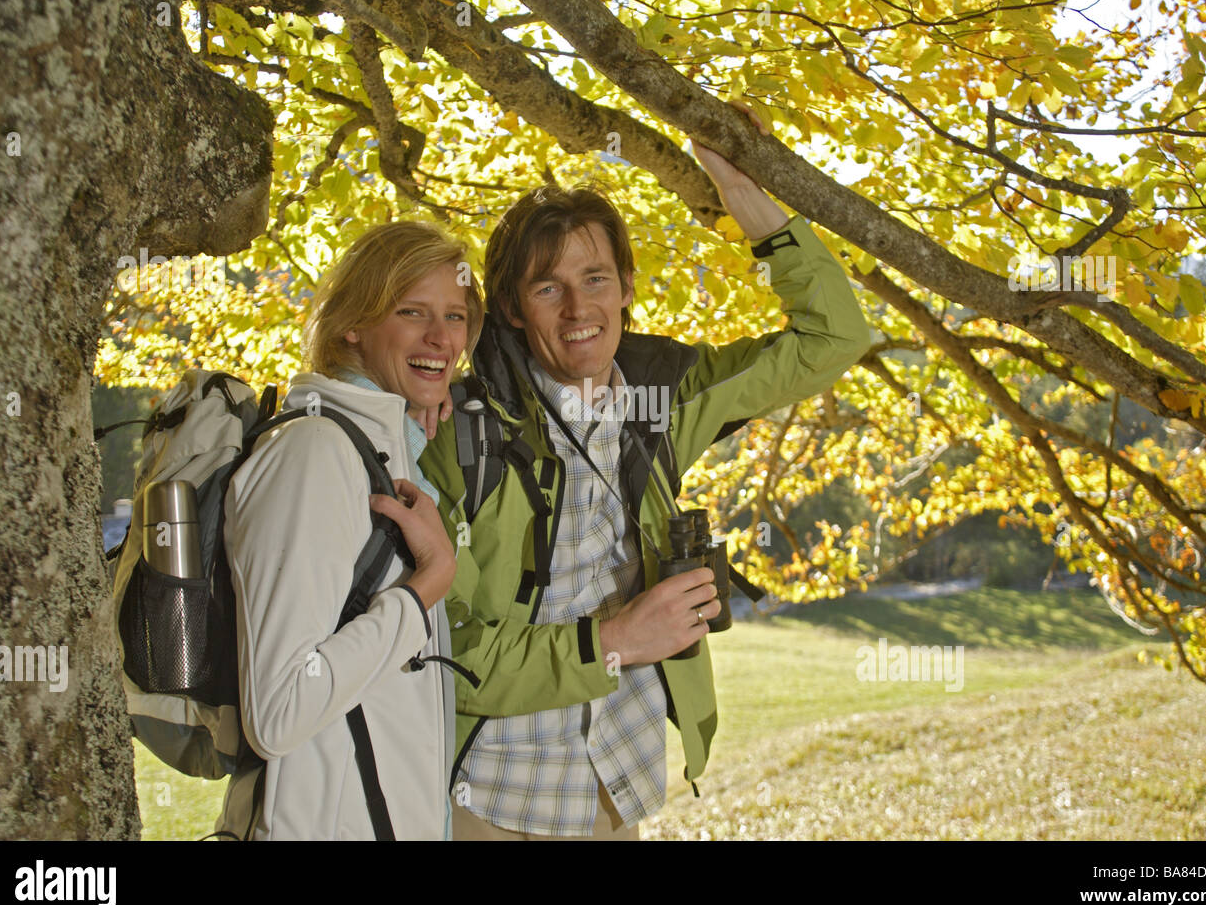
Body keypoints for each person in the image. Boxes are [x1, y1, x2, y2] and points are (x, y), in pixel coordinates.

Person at [419, 108, 873, 840]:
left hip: (617, 785)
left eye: (596, 277)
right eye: (546, 288)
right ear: (508, 306)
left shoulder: (665, 400)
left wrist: (758, 212)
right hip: (491, 796)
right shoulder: (462, 435)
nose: (578, 309)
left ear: (626, 286)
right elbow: (452, 655)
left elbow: (834, 337)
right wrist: (619, 639)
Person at [215, 221, 482, 840]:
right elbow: (278, 710)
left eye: (456, 315)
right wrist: (425, 590)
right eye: (412, 311)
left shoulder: (381, 455)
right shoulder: (312, 453)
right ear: (351, 326)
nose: (441, 339)